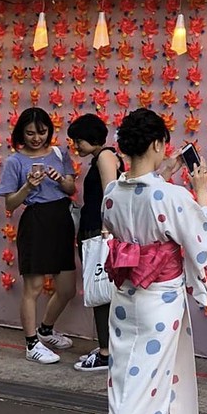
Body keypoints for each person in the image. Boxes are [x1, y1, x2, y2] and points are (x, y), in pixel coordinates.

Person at [87, 109, 207, 414]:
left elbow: (139, 203)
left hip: (126, 300)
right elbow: (203, 241)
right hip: (160, 299)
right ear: (159, 144)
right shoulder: (171, 195)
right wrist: (200, 191)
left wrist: (168, 175)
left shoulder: (113, 193)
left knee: (129, 385)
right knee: (145, 387)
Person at [0, 108, 78, 364]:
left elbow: (71, 187)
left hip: (61, 219)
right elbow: (10, 204)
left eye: (42, 132)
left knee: (66, 288)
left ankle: (46, 330)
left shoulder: (59, 153)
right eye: (30, 133)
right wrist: (28, 186)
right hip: (35, 220)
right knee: (32, 287)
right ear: (21, 133)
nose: (36, 138)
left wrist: (59, 180)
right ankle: (32, 344)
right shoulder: (15, 161)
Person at [67, 113, 124, 372]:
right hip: (93, 230)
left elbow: (110, 192)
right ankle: (107, 345)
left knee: (100, 290)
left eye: (78, 141)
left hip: (98, 233)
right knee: (100, 290)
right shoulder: (100, 157)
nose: (76, 147)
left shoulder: (105, 157)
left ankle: (106, 352)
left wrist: (105, 228)